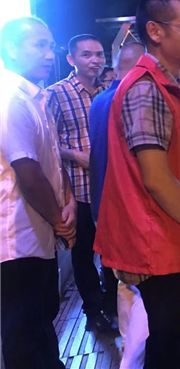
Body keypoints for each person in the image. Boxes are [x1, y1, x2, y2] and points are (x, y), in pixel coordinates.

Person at [93, 0, 180, 369]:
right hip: (158, 245)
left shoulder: (166, 85)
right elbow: (156, 178)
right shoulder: (147, 88)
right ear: (155, 31)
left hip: (167, 240)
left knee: (177, 347)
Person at [0, 17, 77, 369]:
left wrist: (69, 201)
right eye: (39, 45)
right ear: (11, 48)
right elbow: (29, 174)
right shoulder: (10, 99)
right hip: (18, 241)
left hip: (38, 234)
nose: (50, 54)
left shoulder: (35, 98)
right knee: (26, 338)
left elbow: (52, 161)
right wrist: (61, 221)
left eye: (51, 46)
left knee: (42, 327)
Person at [47, 34, 117, 332]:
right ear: (71, 59)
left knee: (113, 251)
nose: (95, 60)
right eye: (87, 55)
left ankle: (114, 306)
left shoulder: (107, 91)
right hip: (77, 189)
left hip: (110, 188)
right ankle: (93, 312)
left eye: (99, 54)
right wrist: (75, 154)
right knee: (83, 255)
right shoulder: (55, 93)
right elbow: (47, 142)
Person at [89, 41, 147, 368]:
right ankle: (135, 357)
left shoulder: (100, 100)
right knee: (138, 291)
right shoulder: (130, 99)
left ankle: (129, 349)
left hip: (104, 206)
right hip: (127, 208)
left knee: (125, 286)